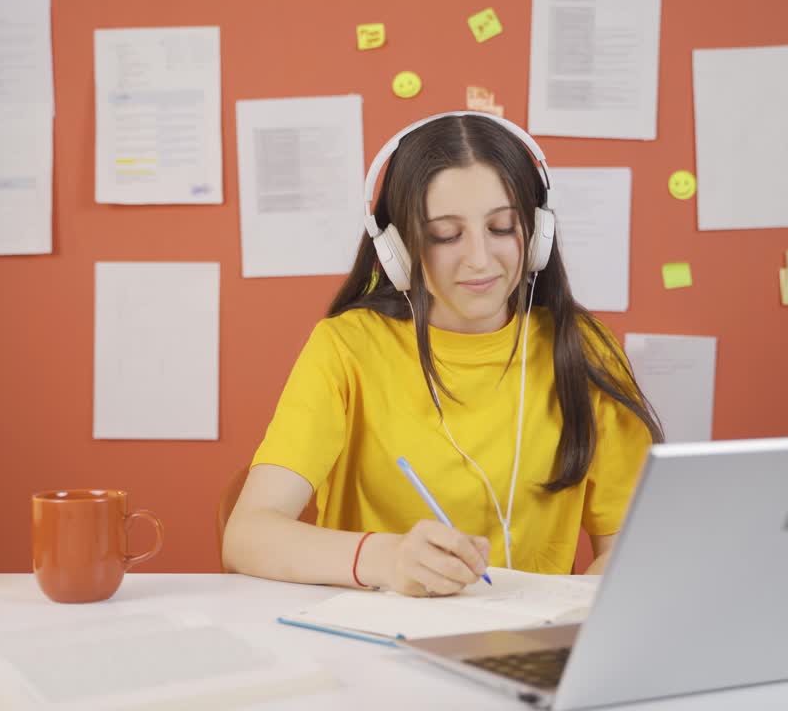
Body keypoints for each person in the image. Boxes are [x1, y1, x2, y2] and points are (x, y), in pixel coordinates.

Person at [223, 112, 662, 598]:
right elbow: (247, 536)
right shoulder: (346, 348)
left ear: (538, 235)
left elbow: (630, 541)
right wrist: (386, 559)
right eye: (445, 235)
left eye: (501, 227)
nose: (479, 259)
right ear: (399, 249)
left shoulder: (584, 351)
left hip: (523, 645)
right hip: (373, 637)